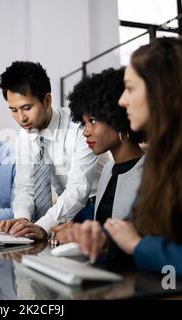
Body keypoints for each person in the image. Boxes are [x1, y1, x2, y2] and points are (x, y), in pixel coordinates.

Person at [68, 37, 182, 291]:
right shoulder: (161, 158)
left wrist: (139, 246)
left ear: (160, 90)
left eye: (130, 88)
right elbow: (132, 228)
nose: (121, 101)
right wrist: (102, 241)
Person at [0, 61, 109, 240]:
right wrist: (21, 221)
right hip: (63, 209)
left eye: (26, 108)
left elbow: (78, 189)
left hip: (96, 206)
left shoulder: (79, 127)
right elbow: (25, 187)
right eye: (13, 110)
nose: (21, 118)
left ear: (47, 100)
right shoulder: (25, 137)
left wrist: (42, 226)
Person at [51, 67, 145, 245]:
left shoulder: (149, 171)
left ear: (117, 118)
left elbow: (140, 235)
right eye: (84, 123)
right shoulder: (108, 170)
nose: (85, 132)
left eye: (93, 121)